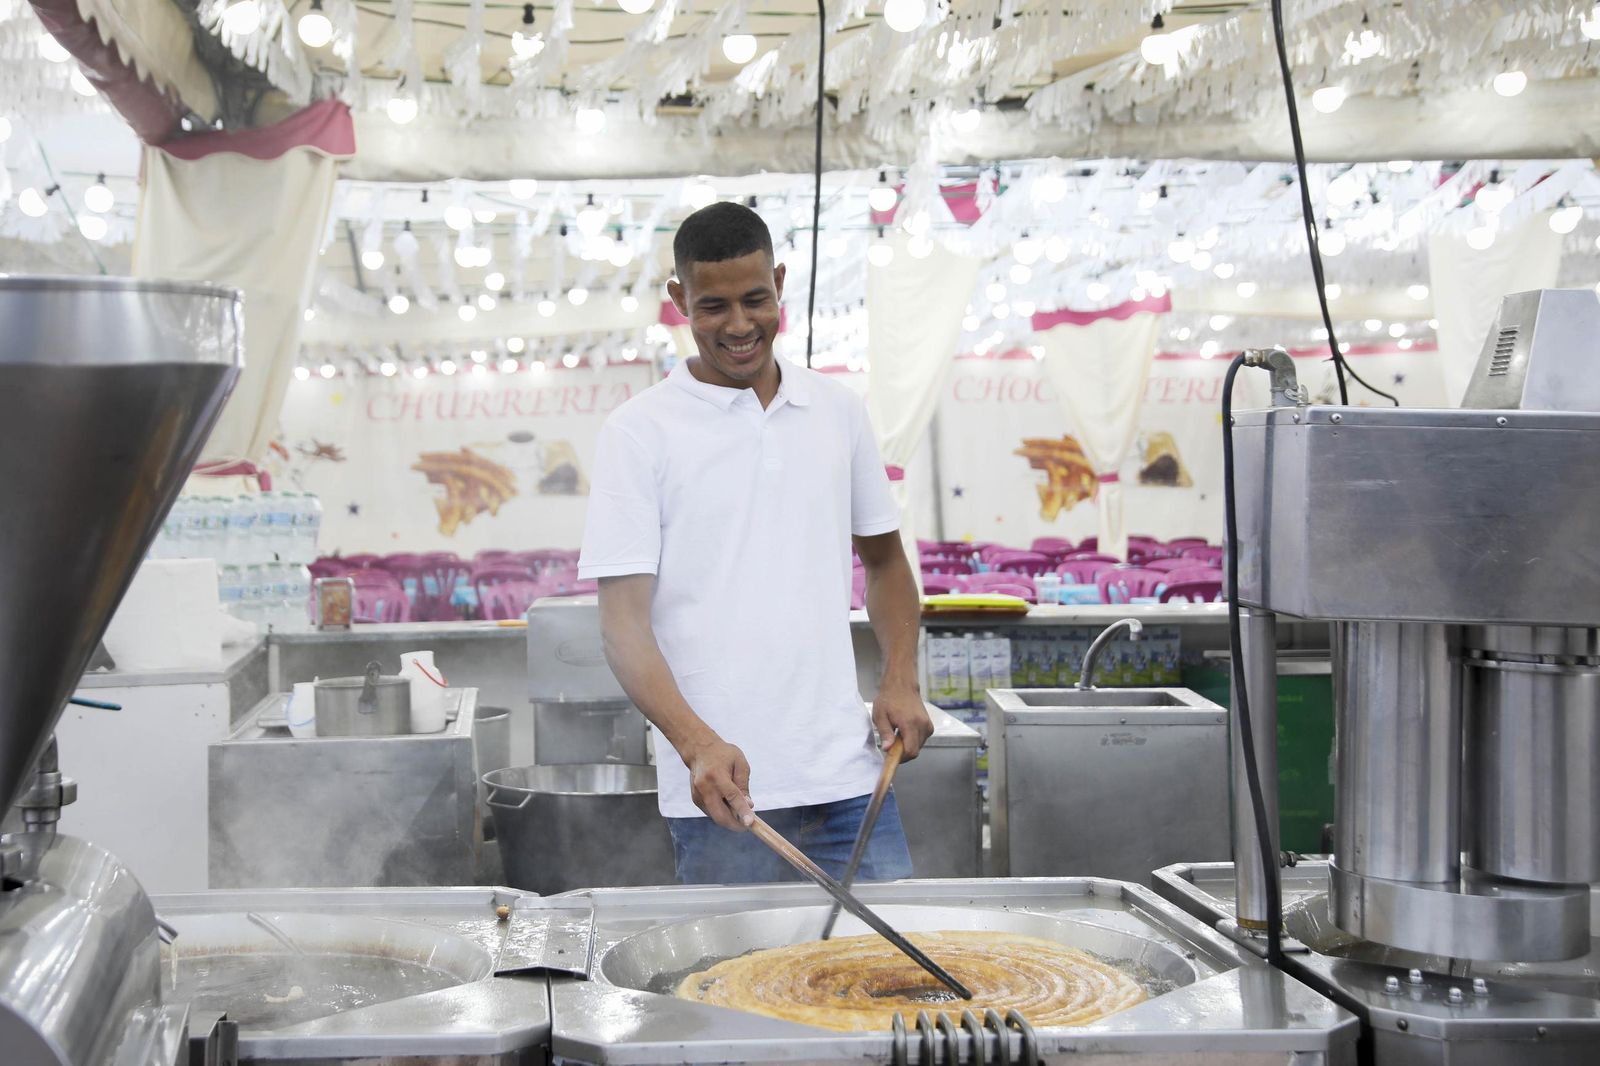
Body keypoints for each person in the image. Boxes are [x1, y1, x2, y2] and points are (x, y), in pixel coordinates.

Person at [577, 201, 932, 885]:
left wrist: (900, 679)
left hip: (852, 779)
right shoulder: (638, 433)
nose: (739, 326)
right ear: (679, 299)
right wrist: (697, 745)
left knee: (892, 984)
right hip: (723, 799)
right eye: (713, 306)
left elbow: (886, 563)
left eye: (755, 299)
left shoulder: (838, 412)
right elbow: (622, 624)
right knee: (731, 988)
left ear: (780, 282)